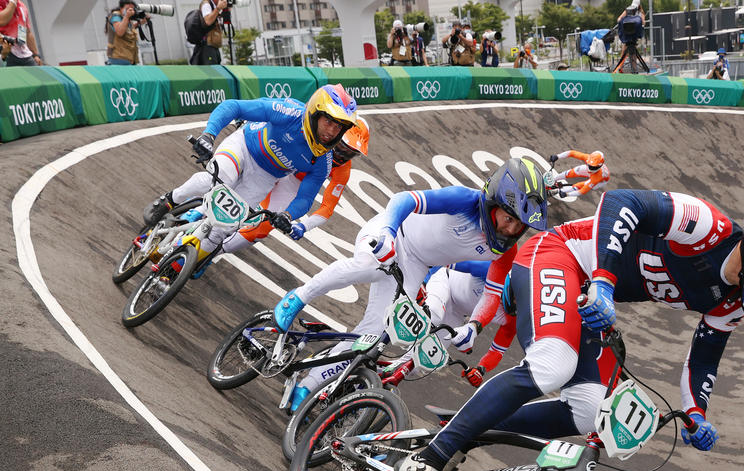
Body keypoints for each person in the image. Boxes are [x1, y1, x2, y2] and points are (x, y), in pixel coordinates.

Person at [396, 192, 744, 471]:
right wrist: (605, 282)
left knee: (587, 410)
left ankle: (462, 429)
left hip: (590, 296)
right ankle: (427, 460)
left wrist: (696, 413)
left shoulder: (730, 305)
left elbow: (705, 356)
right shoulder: (707, 225)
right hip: (557, 258)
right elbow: (620, 203)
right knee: (553, 364)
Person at [270, 157, 548, 411]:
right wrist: (388, 234)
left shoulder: (505, 251)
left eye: (519, 226)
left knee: (372, 336)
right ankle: (297, 297)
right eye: (509, 219)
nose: (511, 230)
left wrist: (474, 328)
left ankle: (308, 384)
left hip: (415, 266)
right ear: (493, 202)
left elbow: (491, 294)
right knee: (367, 265)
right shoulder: (464, 199)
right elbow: (404, 200)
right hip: (393, 233)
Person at [141, 84, 358, 267]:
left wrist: (288, 216)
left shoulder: (324, 161)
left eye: (339, 127)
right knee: (215, 181)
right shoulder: (289, 112)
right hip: (243, 147)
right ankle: (170, 199)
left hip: (265, 176)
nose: (331, 131)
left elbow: (305, 199)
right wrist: (209, 135)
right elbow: (234, 106)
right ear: (315, 113)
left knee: (221, 230)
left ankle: (176, 268)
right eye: (328, 121)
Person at [218, 117, 370, 262]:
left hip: (293, 182)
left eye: (350, 153)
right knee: (233, 183)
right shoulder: (315, 130)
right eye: (342, 147)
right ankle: (198, 211)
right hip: (280, 162)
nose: (342, 155)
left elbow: (328, 208)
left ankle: (215, 252)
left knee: (262, 227)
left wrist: (304, 226)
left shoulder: (343, 170)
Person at [546, 150, 611, 199]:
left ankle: (556, 191)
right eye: (590, 165)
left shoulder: (597, 178)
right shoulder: (588, 158)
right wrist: (558, 156)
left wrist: (567, 194)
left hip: (600, 180)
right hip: (596, 174)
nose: (591, 168)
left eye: (594, 167)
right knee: (571, 172)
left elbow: (582, 191)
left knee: (579, 186)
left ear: (599, 166)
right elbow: (572, 153)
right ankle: (553, 180)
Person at [0, 0, 42, 66]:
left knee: (36, 74)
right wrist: (13, 2)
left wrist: (35, 54)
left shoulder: (22, 6)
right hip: (5, 52)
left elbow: (27, 32)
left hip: (24, 53)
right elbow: (1, 21)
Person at [105, 0, 144, 65]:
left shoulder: (126, 18)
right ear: (121, 8)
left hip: (129, 57)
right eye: (127, 9)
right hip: (118, 58)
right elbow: (120, 32)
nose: (130, 11)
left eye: (132, 9)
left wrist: (142, 21)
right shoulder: (116, 16)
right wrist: (127, 16)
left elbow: (128, 30)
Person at [190, 0, 228, 65]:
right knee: (212, 73)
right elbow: (208, 21)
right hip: (207, 46)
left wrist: (226, 9)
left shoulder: (214, 7)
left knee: (215, 70)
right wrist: (218, 8)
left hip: (213, 46)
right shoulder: (206, 4)